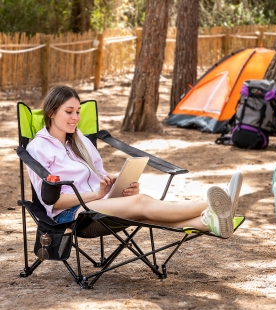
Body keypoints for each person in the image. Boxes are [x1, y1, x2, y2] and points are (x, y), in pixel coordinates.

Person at [26, 86, 243, 239]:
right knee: (142, 204)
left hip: (97, 204)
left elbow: (100, 177)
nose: (76, 117)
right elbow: (52, 203)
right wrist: (96, 195)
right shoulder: (38, 148)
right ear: (52, 113)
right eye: (69, 112)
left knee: (142, 207)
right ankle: (215, 203)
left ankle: (209, 222)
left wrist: (117, 187)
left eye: (78, 112)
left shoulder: (79, 140)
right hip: (71, 215)